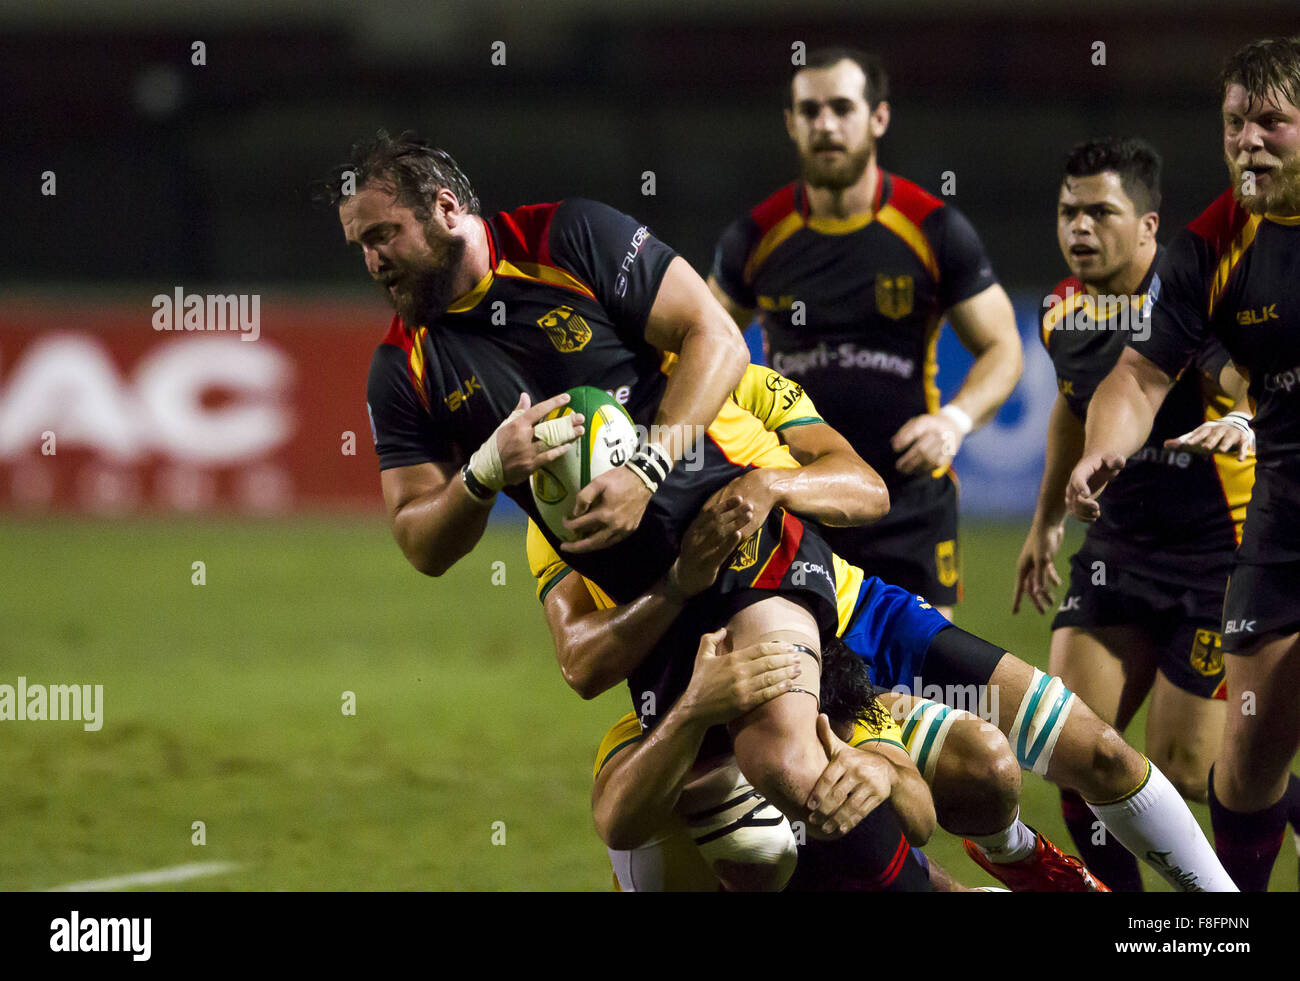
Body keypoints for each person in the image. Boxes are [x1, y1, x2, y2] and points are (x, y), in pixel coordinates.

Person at [324, 130, 901, 875]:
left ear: (443, 208)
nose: (372, 260)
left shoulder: (569, 238)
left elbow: (716, 339)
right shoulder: (402, 370)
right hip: (653, 611)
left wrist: (649, 467)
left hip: (745, 549)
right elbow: (419, 542)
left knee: (787, 770)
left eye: (383, 235)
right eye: (359, 245)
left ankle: (903, 775)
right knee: (708, 845)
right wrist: (483, 473)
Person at [534, 363, 1236, 891]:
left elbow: (865, 488)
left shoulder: (740, 382)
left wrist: (775, 484)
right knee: (819, 835)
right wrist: (678, 583)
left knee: (1088, 757)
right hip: (766, 681)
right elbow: (583, 664)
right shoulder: (562, 510)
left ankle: (1033, 857)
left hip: (862, 619)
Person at [1066, 36, 1300, 891]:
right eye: (1236, 123)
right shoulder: (1213, 242)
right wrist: (1105, 448)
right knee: (1242, 766)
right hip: (1282, 514)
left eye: (1271, 122)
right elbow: (1138, 372)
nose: (1248, 142)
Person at [1014, 137, 1255, 891]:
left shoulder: (1190, 306)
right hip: (1116, 551)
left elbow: (1246, 378)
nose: (1080, 228)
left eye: (1100, 213)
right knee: (1071, 752)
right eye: (1068, 212)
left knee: (1189, 770)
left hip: (1214, 560)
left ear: (1149, 226)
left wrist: (1247, 413)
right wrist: (1046, 519)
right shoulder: (1062, 310)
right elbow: (1069, 407)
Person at [709, 47, 1023, 619]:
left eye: (841, 108)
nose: (825, 124)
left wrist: (953, 423)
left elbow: (1003, 348)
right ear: (790, 123)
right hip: (801, 499)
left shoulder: (933, 229)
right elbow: (700, 342)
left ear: (878, 118)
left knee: (919, 695)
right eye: (810, 110)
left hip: (907, 504)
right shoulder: (755, 237)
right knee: (807, 694)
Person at [591, 628, 939, 892]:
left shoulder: (842, 708)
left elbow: (922, 824)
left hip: (818, 874)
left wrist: (886, 774)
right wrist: (692, 721)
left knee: (868, 816)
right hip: (691, 880)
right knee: (751, 835)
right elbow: (616, 824)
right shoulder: (655, 739)